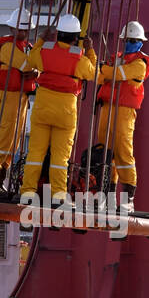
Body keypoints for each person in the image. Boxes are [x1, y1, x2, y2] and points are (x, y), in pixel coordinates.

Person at [20, 13, 96, 201]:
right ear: (75, 37)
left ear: (58, 34)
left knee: (35, 153)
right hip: (66, 111)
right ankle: (58, 196)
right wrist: (90, 51)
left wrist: (40, 40)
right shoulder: (79, 58)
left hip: (43, 108)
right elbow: (93, 73)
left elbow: (30, 59)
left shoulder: (44, 52)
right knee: (60, 159)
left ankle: (27, 193)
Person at [95, 20, 149, 212]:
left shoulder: (140, 63)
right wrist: (108, 71)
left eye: (134, 39)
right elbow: (102, 76)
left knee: (123, 152)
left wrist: (108, 71)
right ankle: (106, 195)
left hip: (124, 112)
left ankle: (128, 198)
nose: (131, 42)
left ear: (141, 41)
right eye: (129, 39)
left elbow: (119, 74)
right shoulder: (116, 59)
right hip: (107, 109)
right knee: (105, 152)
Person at [0, 10, 38, 195]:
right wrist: (35, 70)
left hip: (21, 99)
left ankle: (0, 181)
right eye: (21, 29)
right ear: (12, 28)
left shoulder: (26, 47)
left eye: (26, 30)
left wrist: (36, 72)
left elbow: (34, 66)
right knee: (3, 139)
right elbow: (28, 65)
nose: (24, 33)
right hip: (8, 97)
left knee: (14, 142)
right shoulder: (8, 47)